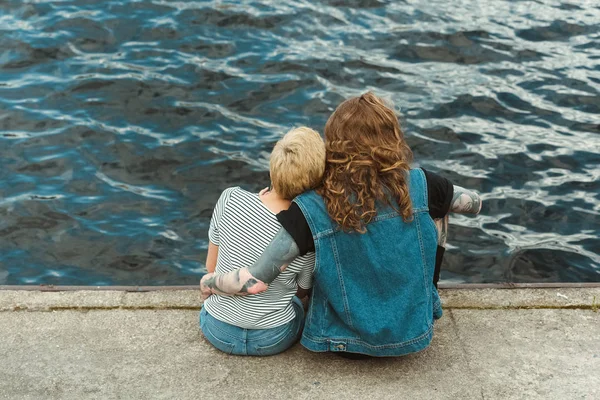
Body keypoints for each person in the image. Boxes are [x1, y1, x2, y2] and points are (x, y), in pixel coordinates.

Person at [201, 92, 482, 357]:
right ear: (391, 139)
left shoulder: (311, 205)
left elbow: (257, 278)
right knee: (439, 208)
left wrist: (210, 281)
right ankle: (428, 293)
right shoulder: (421, 183)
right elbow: (474, 203)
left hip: (340, 340)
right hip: (413, 332)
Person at [199, 126, 325, 356]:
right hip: (273, 338)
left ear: (273, 165)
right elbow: (302, 292)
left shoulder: (229, 198)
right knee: (297, 306)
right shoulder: (305, 233)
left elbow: (211, 267)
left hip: (217, 329)